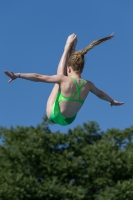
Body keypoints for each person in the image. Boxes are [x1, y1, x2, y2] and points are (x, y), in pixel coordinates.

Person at [4, 33, 124, 126]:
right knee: (61, 79)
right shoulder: (89, 85)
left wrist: (18, 75)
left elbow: (38, 77)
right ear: (82, 69)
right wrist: (112, 100)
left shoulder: (64, 80)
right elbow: (101, 94)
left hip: (54, 115)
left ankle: (66, 49)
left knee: (59, 78)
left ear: (69, 69)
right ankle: (70, 50)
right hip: (69, 120)